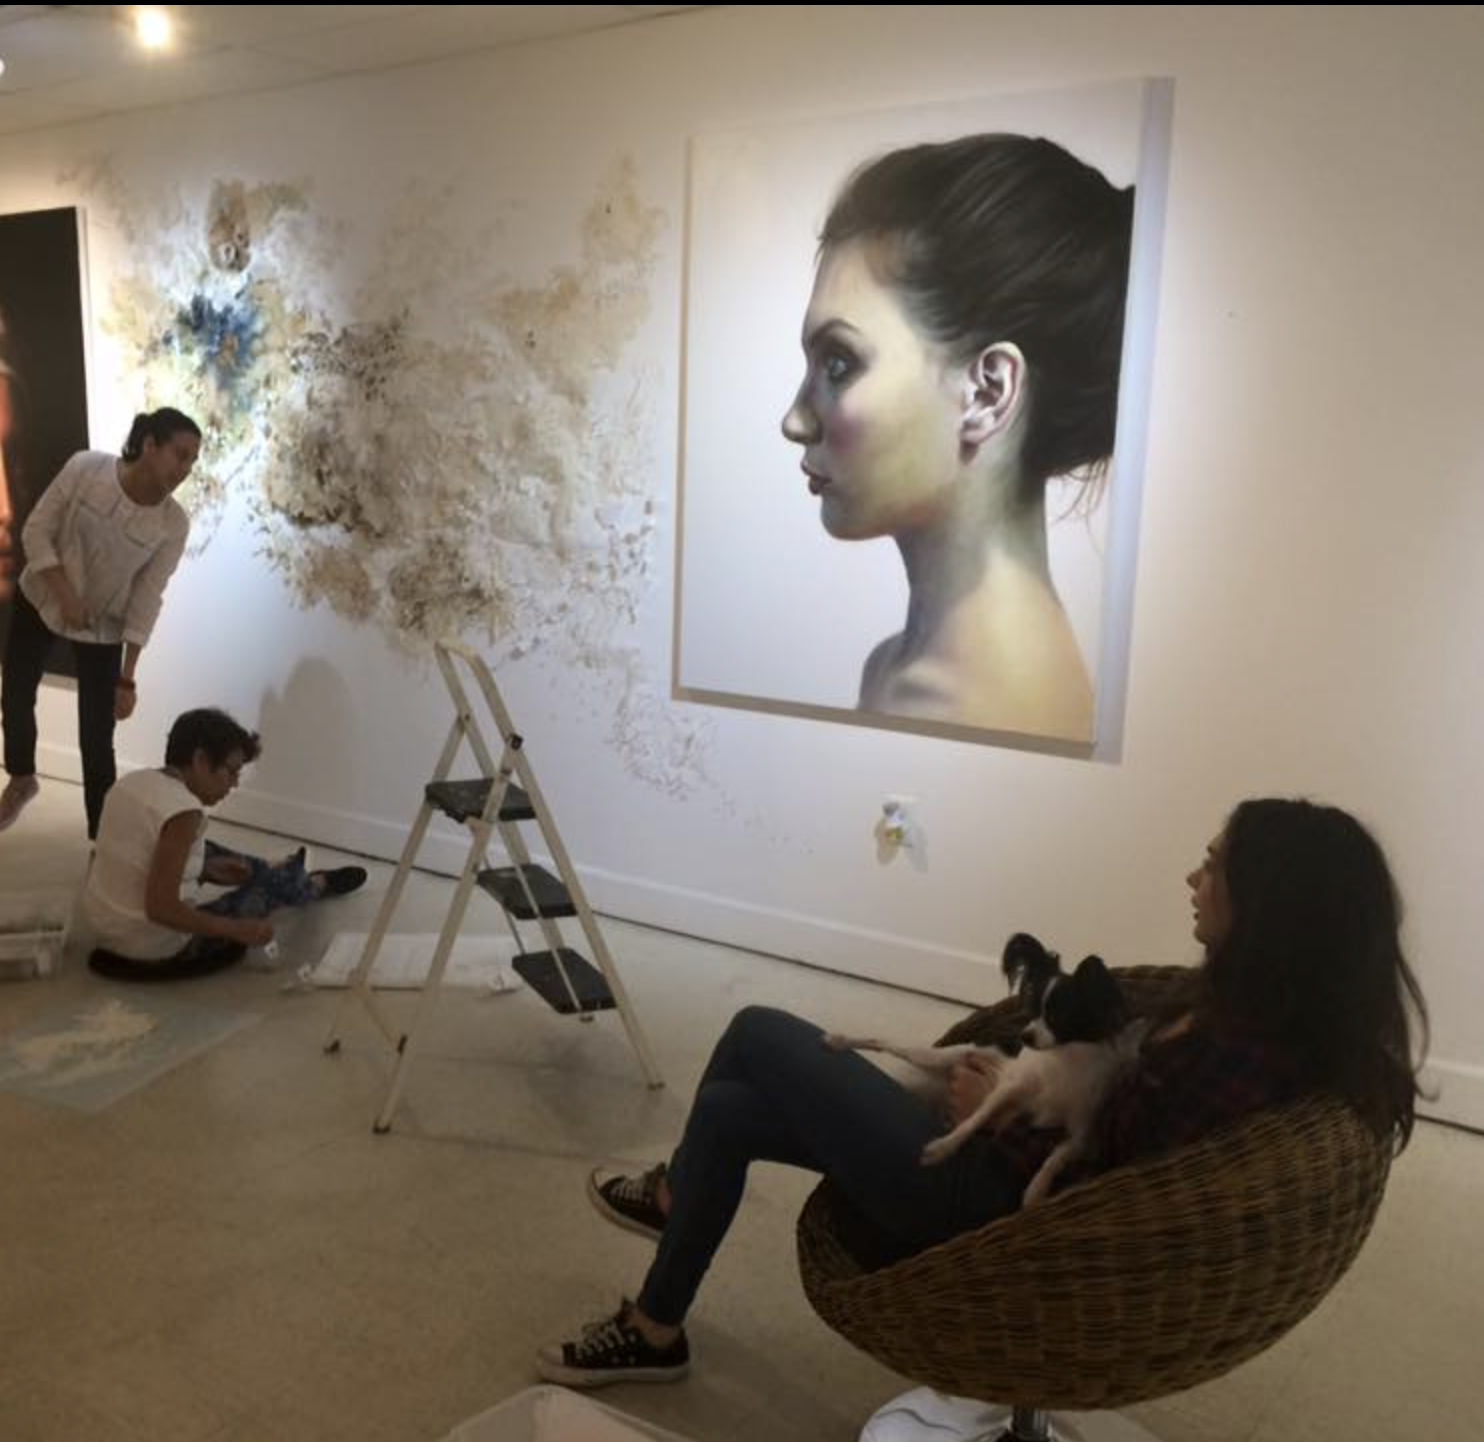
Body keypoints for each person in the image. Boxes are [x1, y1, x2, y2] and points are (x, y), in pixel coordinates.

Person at [536, 797, 1429, 1388]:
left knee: (756, 1031)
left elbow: (1114, 1192)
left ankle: (672, 1193)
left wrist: (987, 1119)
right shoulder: (1242, 1010)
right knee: (728, 1113)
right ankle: (656, 1329)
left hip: (990, 1208)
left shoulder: (1238, 1055)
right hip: (991, 1156)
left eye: (1213, 867)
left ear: (1267, 906)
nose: (1192, 880)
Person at [781, 134, 1135, 742]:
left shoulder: (988, 706)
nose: (795, 420)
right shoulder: (901, 669)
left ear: (988, 393)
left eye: (839, 363)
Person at [0, 407, 201, 837]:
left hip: (102, 626)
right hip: (41, 596)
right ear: (150, 445)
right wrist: (65, 595)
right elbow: (36, 531)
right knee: (15, 692)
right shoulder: (86, 468)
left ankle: (102, 838)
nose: (185, 469)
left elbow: (148, 597)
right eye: (180, 455)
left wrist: (127, 679)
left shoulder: (173, 523)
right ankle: (21, 777)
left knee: (96, 736)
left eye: (192, 461)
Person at [83, 707, 368, 981]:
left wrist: (205, 871)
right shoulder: (183, 812)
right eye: (231, 772)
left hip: (106, 932)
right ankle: (309, 883)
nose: (234, 784)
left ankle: (281, 870)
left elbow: (125, 862)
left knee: (207, 849)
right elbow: (160, 908)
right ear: (201, 760)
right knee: (261, 893)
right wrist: (235, 929)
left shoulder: (130, 783)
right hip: (151, 948)